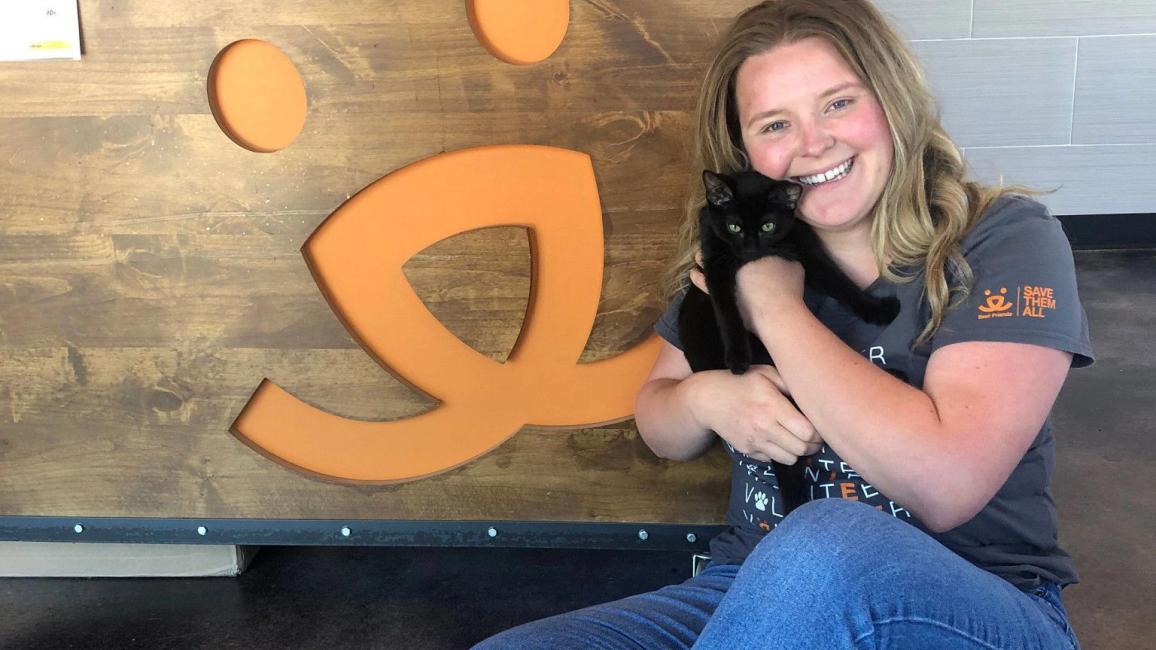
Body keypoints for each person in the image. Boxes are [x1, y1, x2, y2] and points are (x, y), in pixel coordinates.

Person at [474, 0, 1092, 647]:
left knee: (828, 543)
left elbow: (947, 485)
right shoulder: (739, 245)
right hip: (750, 589)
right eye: (775, 124)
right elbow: (661, 426)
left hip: (972, 601)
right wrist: (706, 396)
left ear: (893, 100)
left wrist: (773, 306)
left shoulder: (1005, 239)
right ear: (743, 150)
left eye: (838, 103)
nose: (812, 142)